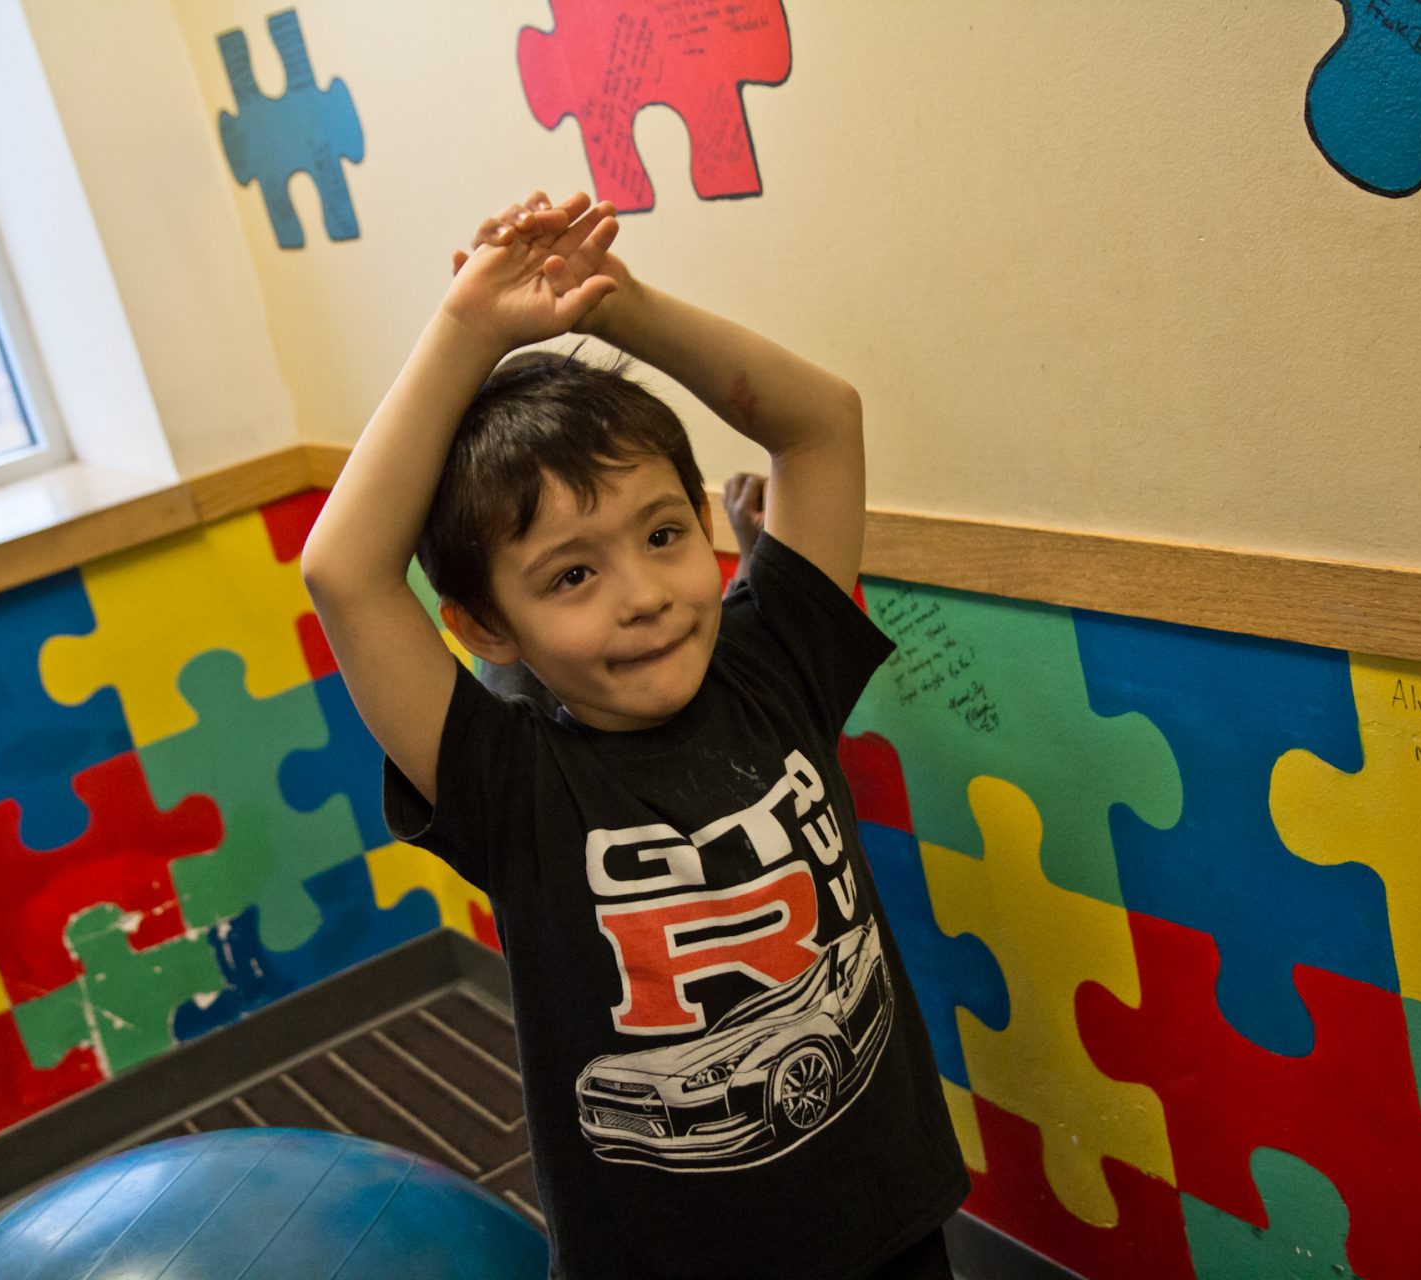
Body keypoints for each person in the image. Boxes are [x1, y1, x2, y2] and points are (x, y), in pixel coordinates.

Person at [301, 190, 967, 1279]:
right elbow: (345, 570)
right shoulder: (509, 783)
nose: (647, 594)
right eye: (572, 572)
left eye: (664, 533)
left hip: (885, 1215)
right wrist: (471, 330)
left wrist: (612, 305)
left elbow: (821, 420)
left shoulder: (776, 664)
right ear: (480, 627)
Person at [478, 467, 768, 714]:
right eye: (575, 576)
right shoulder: (529, 760)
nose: (648, 599)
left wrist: (749, 552)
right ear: (488, 630)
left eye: (659, 537)